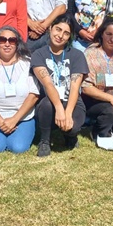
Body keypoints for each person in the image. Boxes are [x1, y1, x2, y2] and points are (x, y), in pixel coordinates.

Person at [31, 15, 88, 157]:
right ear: (50, 28)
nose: (60, 36)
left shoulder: (77, 55)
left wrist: (67, 113)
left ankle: (70, 136)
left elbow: (75, 87)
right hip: (49, 102)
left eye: (66, 33)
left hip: (72, 101)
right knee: (46, 105)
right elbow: (47, 83)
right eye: (58, 29)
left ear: (70, 37)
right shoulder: (38, 54)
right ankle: (44, 140)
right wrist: (58, 108)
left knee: (72, 127)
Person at [0, 27, 40, 154]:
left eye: (12, 40)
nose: (7, 44)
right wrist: (1, 122)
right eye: (3, 40)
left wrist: (14, 120)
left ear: (17, 44)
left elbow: (33, 94)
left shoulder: (27, 63)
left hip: (22, 117)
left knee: (18, 148)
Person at [81, 18, 113, 147]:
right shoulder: (90, 53)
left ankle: (112, 127)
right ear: (102, 34)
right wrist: (111, 99)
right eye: (109, 34)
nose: (112, 38)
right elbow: (86, 87)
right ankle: (98, 131)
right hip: (94, 100)